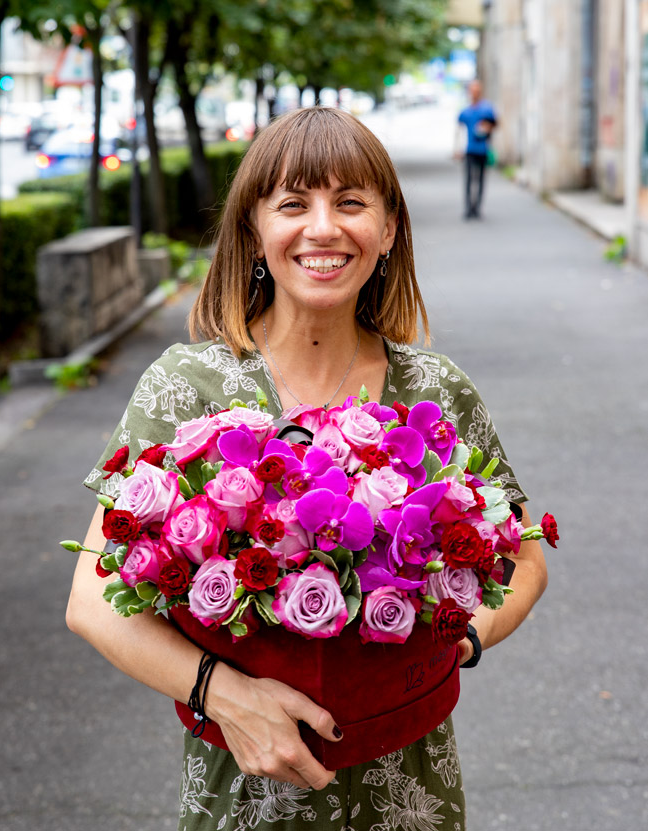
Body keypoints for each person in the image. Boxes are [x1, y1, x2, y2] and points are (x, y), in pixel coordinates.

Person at [67, 107, 547, 830]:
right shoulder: (186, 386)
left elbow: (522, 553)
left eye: (350, 203)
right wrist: (221, 692)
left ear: (387, 230)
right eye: (293, 204)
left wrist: (459, 634)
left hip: (408, 785)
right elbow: (93, 597)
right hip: (243, 789)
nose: (323, 227)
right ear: (254, 232)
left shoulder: (435, 391)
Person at [455, 79, 498, 219]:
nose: (475, 93)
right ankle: (468, 208)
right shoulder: (465, 111)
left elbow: (495, 124)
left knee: (480, 179)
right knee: (468, 180)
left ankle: (477, 207)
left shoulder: (487, 109)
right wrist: (457, 148)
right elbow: (459, 130)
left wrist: (486, 128)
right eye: (472, 90)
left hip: (483, 149)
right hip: (469, 150)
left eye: (477, 90)